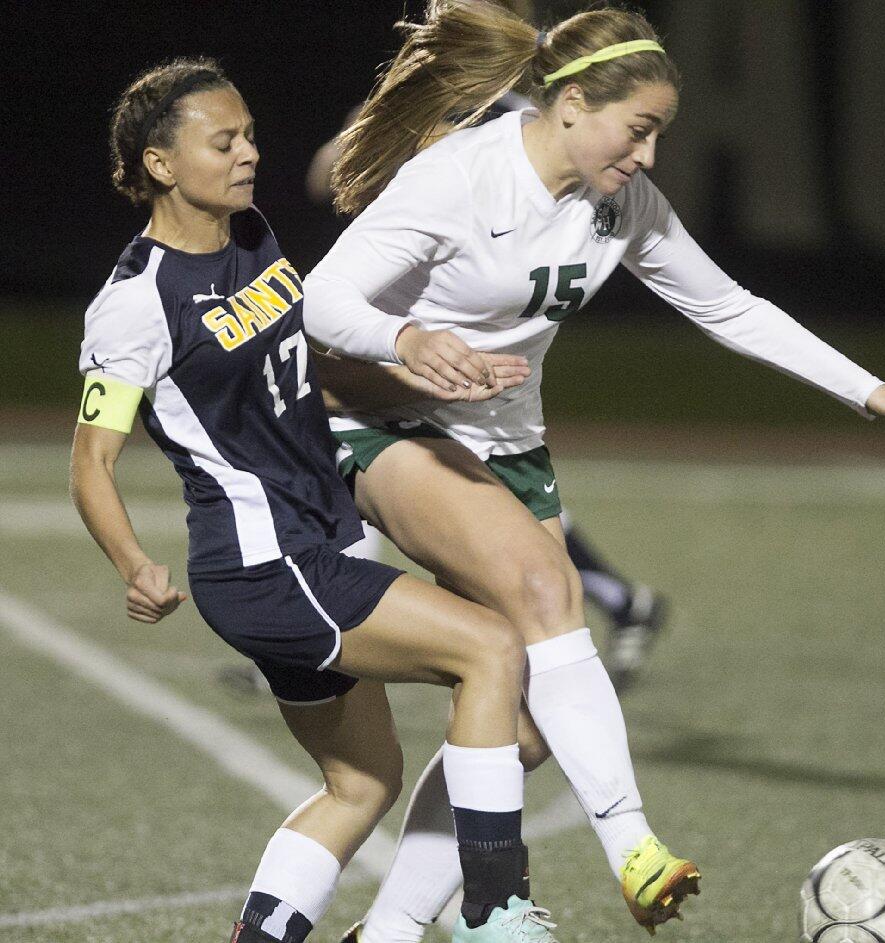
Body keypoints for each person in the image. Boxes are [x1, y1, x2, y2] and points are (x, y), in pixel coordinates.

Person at [300, 3, 885, 941]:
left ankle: (387, 932)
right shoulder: (460, 176)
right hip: (382, 423)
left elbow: (730, 307)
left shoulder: (621, 203)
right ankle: (633, 843)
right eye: (641, 130)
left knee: (523, 724)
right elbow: (322, 299)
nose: (649, 156)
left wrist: (871, 393)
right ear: (572, 104)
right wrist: (408, 337)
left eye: (658, 134)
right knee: (548, 590)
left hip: (506, 441)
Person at [70, 57, 566, 943]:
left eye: (250, 134)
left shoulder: (252, 234)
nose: (249, 152)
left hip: (311, 552)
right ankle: (494, 914)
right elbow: (91, 461)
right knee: (493, 651)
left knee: (363, 782)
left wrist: (425, 371)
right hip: (267, 565)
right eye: (222, 141)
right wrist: (134, 563)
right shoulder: (135, 304)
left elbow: (308, 376)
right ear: (159, 163)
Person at [300, 0, 668, 693]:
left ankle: (609, 603)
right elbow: (328, 174)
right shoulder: (444, 100)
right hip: (396, 314)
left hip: (465, 334)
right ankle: (614, 600)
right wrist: (391, 125)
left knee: (470, 494)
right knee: (392, 472)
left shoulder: (519, 112)